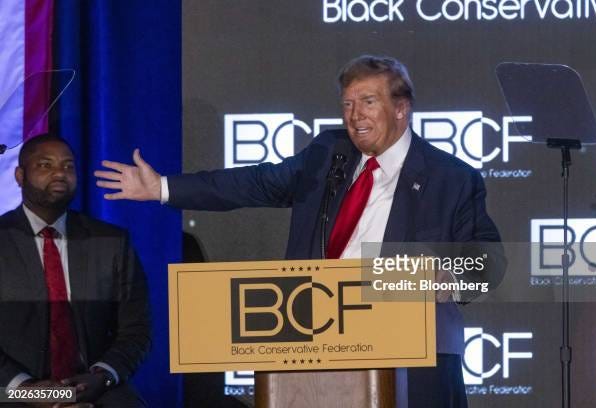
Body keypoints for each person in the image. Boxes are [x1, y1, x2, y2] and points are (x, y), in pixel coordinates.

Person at [95, 55, 505, 407]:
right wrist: (164, 187)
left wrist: (452, 274)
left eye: (368, 101)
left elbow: (490, 259)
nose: (355, 115)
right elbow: (254, 183)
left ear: (401, 109)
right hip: (315, 341)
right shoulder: (329, 154)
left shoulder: (451, 177)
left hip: (412, 356)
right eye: (347, 104)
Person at [0, 134, 151, 407]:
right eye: (45, 165)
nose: (60, 173)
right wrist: (28, 388)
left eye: (69, 166)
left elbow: (137, 329)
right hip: (13, 387)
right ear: (20, 176)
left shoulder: (111, 241)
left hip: (92, 383)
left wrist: (103, 375)